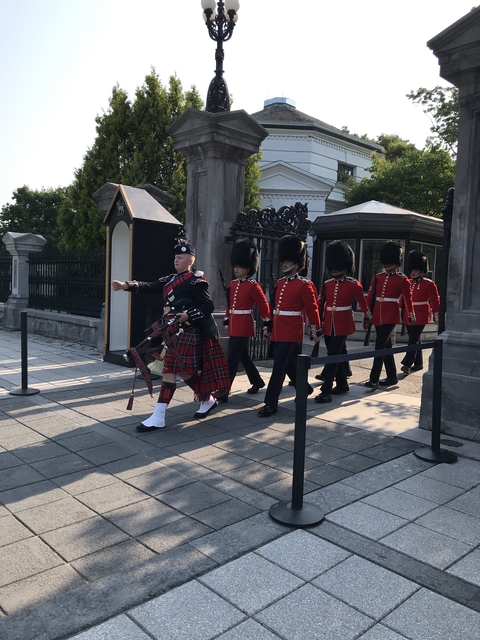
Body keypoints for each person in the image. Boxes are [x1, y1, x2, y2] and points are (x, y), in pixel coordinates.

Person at [112, 241, 230, 432]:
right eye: (175, 257)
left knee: (169, 370)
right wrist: (127, 285)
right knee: (182, 372)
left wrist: (188, 315)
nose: (176, 259)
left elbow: (207, 306)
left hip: (188, 331)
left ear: (190, 260)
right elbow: (150, 285)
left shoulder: (195, 281)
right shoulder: (169, 279)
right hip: (172, 331)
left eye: (180, 257)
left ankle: (158, 417)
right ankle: (207, 399)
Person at [258, 235, 321, 417]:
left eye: (288, 261)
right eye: (284, 260)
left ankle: (271, 403)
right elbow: (274, 308)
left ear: (297, 264)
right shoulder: (279, 283)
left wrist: (316, 329)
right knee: (289, 365)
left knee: (279, 366)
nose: (284, 264)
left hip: (292, 331)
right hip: (278, 330)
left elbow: (312, 309)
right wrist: (267, 326)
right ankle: (305, 388)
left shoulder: (305, 285)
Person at [315, 241, 370, 403]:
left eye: (337, 266)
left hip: (343, 324)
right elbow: (319, 303)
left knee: (332, 354)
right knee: (338, 353)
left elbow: (363, 303)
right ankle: (342, 384)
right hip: (329, 324)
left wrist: (367, 317)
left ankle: (326, 391)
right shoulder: (327, 284)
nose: (334, 269)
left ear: (345, 266)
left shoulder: (354, 285)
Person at [218, 239, 271, 403]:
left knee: (232, 358)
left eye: (239, 267)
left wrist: (267, 323)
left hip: (244, 325)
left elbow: (264, 305)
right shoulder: (233, 284)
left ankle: (224, 390)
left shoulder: (253, 286)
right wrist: (227, 321)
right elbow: (230, 305)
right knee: (244, 357)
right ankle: (257, 381)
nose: (235, 269)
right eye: (235, 266)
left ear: (247, 268)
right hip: (234, 324)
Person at [364, 240, 415, 390]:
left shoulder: (402, 279)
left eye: (389, 262)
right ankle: (392, 376)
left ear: (396, 261)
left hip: (391, 315)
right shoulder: (378, 277)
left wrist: (410, 315)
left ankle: (374, 379)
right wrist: (368, 315)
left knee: (379, 345)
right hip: (377, 315)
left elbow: (408, 299)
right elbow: (371, 297)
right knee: (386, 346)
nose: (386, 265)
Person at [400, 250, 440, 375]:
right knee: (415, 339)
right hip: (409, 313)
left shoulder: (429, 284)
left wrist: (436, 316)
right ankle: (418, 363)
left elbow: (435, 300)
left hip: (421, 314)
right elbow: (403, 298)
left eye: (416, 270)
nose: (413, 272)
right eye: (412, 270)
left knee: (412, 339)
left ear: (422, 271)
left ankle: (407, 363)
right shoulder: (409, 282)